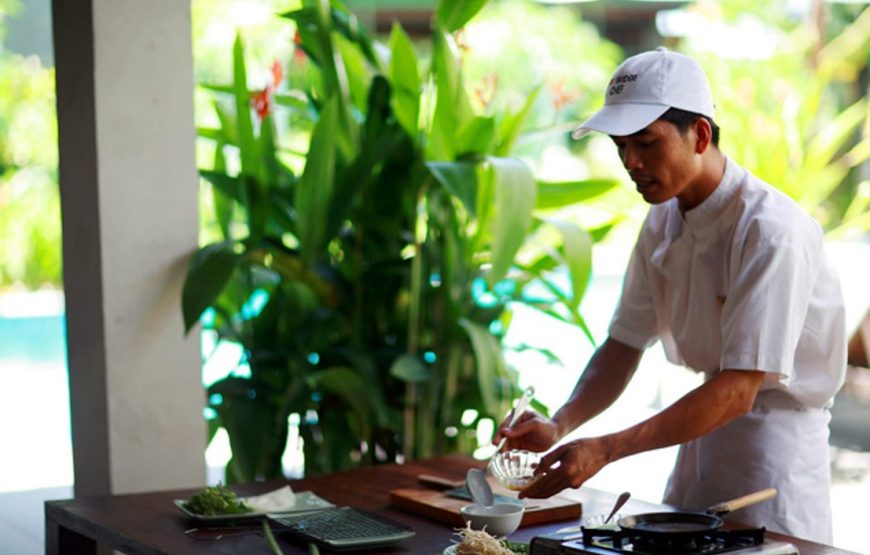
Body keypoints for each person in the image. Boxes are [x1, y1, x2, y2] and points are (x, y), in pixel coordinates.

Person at [495, 47, 846, 543]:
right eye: (621, 146)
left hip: (773, 461)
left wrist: (608, 448)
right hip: (697, 446)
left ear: (700, 134)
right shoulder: (661, 219)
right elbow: (624, 342)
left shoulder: (771, 231)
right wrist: (560, 423)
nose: (630, 162)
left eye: (646, 142)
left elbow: (737, 391)